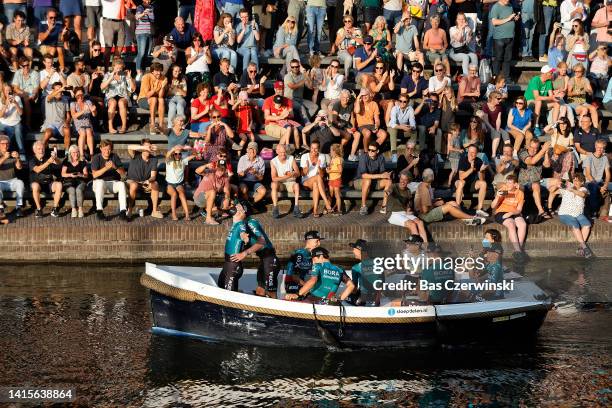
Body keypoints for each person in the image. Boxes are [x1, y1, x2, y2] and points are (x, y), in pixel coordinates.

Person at [415, 168, 485, 225]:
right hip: (425, 216)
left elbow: (427, 202)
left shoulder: (427, 186)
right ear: (433, 177)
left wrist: (436, 201)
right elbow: (425, 210)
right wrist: (435, 204)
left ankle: (466, 220)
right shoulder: (424, 189)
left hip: (429, 210)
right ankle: (471, 218)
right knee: (449, 207)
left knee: (453, 203)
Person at [285, 246, 355, 304]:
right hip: (328, 302)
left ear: (321, 256)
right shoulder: (340, 269)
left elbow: (313, 281)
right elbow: (351, 286)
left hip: (313, 299)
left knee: (287, 300)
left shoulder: (318, 266)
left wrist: (298, 294)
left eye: (314, 259)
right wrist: (340, 299)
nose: (313, 262)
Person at [518, 139, 559, 220]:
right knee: (536, 185)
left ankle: (550, 207)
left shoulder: (540, 154)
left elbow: (547, 165)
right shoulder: (523, 153)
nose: (533, 150)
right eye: (532, 147)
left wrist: (546, 152)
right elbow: (531, 161)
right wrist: (543, 150)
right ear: (528, 146)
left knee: (558, 182)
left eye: (536, 148)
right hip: (525, 183)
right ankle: (541, 210)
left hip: (539, 181)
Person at [556, 173, 593, 257]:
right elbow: (553, 191)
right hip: (565, 213)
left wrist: (571, 190)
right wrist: (557, 185)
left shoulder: (584, 189)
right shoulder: (567, 187)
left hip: (578, 213)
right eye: (574, 180)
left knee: (587, 225)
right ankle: (584, 247)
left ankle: (580, 248)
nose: (575, 182)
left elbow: (583, 195)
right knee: (575, 224)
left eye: (577, 180)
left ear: (582, 182)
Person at [491, 174, 527, 259]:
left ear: (515, 184)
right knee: (511, 224)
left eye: (510, 183)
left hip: (514, 212)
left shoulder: (520, 193)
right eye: (507, 183)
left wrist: (511, 213)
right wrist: (497, 197)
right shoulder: (503, 191)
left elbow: (519, 209)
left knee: (523, 224)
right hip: (501, 212)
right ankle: (518, 252)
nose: (508, 185)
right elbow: (492, 206)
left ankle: (518, 250)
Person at [91, 139, 128, 221]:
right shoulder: (96, 158)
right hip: (99, 184)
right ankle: (99, 211)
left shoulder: (114, 156)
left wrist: (115, 167)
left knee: (122, 184)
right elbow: (94, 175)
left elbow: (123, 174)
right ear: (100, 148)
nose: (107, 151)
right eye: (105, 149)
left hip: (112, 183)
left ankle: (123, 212)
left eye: (109, 149)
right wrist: (106, 168)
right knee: (100, 182)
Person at [219, 201, 251, 291]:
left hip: (233, 266)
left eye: (239, 207)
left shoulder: (241, 224)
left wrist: (244, 237)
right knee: (220, 287)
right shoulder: (236, 224)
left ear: (242, 212)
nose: (236, 206)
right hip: (228, 264)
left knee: (229, 295)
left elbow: (243, 232)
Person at [387, 171, 428, 242]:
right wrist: (388, 192)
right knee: (412, 224)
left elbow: (408, 205)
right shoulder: (394, 186)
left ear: (408, 181)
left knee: (420, 222)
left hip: (404, 213)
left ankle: (426, 247)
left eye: (405, 180)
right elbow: (389, 190)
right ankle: (417, 249)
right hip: (394, 213)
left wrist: (409, 210)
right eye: (401, 179)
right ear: (399, 179)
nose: (403, 181)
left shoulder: (408, 191)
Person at [354, 141, 392, 215]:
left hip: (374, 182)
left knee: (388, 181)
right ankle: (363, 206)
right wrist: (381, 176)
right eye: (369, 150)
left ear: (377, 151)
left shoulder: (381, 157)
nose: (370, 152)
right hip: (360, 182)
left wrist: (387, 175)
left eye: (373, 150)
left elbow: (382, 172)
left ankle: (383, 206)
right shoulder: (363, 157)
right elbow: (364, 175)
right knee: (367, 180)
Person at [126, 140, 162, 219]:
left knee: (155, 184)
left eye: (149, 147)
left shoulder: (154, 159)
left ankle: (154, 211)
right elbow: (129, 147)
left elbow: (153, 176)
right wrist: (144, 147)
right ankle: (130, 210)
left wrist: (148, 181)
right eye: (146, 147)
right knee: (134, 185)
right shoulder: (135, 155)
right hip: (132, 181)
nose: (148, 149)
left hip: (144, 183)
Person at [101, 58, 136, 134]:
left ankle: (124, 126)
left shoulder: (125, 75)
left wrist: (129, 78)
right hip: (111, 96)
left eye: (120, 68)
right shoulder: (108, 74)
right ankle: (110, 126)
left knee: (121, 102)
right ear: (113, 67)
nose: (119, 69)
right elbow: (102, 87)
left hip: (123, 96)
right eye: (117, 68)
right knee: (113, 102)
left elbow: (133, 89)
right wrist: (111, 77)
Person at [194, 155, 232, 225]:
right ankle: (208, 218)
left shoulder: (225, 178)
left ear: (225, 169)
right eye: (219, 168)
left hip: (211, 199)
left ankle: (211, 210)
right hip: (199, 197)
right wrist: (206, 165)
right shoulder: (210, 172)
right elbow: (197, 171)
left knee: (225, 202)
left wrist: (227, 199)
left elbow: (226, 191)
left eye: (223, 169)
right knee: (212, 191)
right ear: (216, 167)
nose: (221, 171)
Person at [300, 139, 333, 217]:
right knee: (317, 179)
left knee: (316, 184)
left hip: (318, 182)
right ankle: (327, 203)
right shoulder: (304, 156)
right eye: (312, 148)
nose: (314, 150)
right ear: (310, 148)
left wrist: (318, 167)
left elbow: (322, 175)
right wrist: (307, 168)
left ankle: (315, 210)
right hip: (306, 181)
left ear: (319, 149)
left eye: (316, 148)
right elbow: (302, 174)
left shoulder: (322, 156)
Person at [29, 141, 62, 218]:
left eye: (43, 149)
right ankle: (39, 209)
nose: (41, 150)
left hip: (49, 183)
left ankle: (55, 209)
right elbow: (37, 170)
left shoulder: (47, 157)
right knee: (35, 186)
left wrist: (55, 158)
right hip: (37, 183)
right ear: (34, 151)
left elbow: (59, 164)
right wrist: (48, 162)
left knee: (59, 185)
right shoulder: (32, 160)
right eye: (39, 149)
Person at [455, 144, 489, 217]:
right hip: (460, 184)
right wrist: (471, 169)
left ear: (476, 154)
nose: (470, 154)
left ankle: (480, 209)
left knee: (484, 184)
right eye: (469, 152)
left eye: (473, 152)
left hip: (471, 184)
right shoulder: (463, 159)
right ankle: (458, 207)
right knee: (462, 182)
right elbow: (461, 177)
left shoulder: (479, 161)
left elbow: (481, 179)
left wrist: (481, 171)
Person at [270, 143, 303, 219]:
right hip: (281, 184)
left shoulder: (291, 158)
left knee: (297, 185)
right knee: (273, 184)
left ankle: (296, 208)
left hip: (291, 183)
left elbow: (298, 173)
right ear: (277, 152)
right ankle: (275, 208)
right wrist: (286, 176)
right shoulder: (273, 161)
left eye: (284, 152)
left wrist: (293, 174)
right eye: (281, 152)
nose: (283, 154)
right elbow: (274, 178)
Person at [524, 65, 561, 131]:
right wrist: (551, 97)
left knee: (557, 104)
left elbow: (551, 95)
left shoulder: (548, 81)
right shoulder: (535, 80)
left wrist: (556, 95)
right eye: (550, 72)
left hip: (541, 101)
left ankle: (553, 126)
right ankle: (536, 126)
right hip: (529, 101)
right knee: (539, 101)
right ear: (545, 74)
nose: (552, 74)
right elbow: (537, 97)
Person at [490, 0, 519, 80]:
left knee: (507, 59)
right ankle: (495, 77)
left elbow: (510, 19)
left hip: (510, 36)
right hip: (500, 37)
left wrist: (514, 18)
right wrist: (508, 18)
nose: (507, 0)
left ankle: (506, 77)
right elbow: (494, 22)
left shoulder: (510, 5)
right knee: (498, 58)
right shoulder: (496, 7)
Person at [165, 145, 195, 221]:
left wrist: (191, 148)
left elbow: (194, 155)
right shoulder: (169, 161)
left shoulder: (183, 161)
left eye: (179, 154)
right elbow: (167, 154)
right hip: (169, 184)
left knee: (182, 194)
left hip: (179, 184)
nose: (178, 155)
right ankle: (173, 214)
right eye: (176, 154)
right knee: (174, 194)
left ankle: (187, 214)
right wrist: (174, 149)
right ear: (173, 155)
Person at [329, 90, 360, 162]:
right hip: (337, 126)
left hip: (347, 126)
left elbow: (352, 117)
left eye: (347, 98)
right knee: (348, 135)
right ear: (340, 97)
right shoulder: (337, 105)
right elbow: (334, 120)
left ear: (349, 98)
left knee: (358, 134)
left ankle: (352, 155)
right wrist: (346, 129)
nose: (345, 99)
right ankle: (338, 153)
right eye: (343, 97)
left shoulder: (351, 105)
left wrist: (353, 127)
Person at [583, 139, 611, 219]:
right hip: (589, 182)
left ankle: (605, 212)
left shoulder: (605, 158)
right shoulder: (589, 157)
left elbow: (608, 174)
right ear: (595, 147)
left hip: (600, 182)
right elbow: (588, 174)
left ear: (604, 148)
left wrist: (605, 185)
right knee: (594, 188)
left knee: (608, 187)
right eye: (598, 147)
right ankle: (594, 211)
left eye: (602, 148)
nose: (600, 149)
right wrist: (600, 188)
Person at [41, 82, 71, 152]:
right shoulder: (48, 98)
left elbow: (68, 116)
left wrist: (67, 122)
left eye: (61, 89)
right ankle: (41, 151)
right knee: (47, 133)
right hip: (51, 125)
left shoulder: (65, 99)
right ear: (53, 91)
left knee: (67, 130)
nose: (60, 92)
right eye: (57, 90)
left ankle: (67, 153)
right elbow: (50, 97)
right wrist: (60, 90)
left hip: (61, 124)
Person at [567, 63, 599, 129]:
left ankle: (596, 129)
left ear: (583, 72)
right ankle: (580, 126)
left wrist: (589, 91)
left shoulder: (585, 80)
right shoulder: (572, 80)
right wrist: (576, 93)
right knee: (584, 109)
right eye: (575, 71)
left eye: (579, 71)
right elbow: (568, 94)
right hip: (573, 102)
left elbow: (591, 92)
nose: (577, 73)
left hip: (583, 102)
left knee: (593, 109)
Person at [11, 56, 39, 129]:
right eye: (24, 66)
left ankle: (27, 123)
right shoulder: (18, 73)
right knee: (15, 98)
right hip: (22, 94)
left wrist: (32, 95)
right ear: (20, 66)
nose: (26, 67)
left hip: (32, 95)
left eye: (27, 65)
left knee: (26, 99)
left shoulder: (34, 73)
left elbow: (36, 88)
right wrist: (24, 93)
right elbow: (15, 88)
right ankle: (16, 122)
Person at [0, 135, 24, 217]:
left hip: (12, 180)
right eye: (2, 144)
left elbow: (19, 167)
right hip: (1, 182)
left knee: (20, 183)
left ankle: (18, 207)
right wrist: (4, 158)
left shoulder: (12, 154)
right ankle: (1, 208)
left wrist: (17, 158)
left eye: (7, 144)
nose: (5, 145)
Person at [61, 144, 88, 218]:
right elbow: (63, 174)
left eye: (77, 152)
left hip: (80, 181)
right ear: (70, 153)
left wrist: (80, 175)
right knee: (72, 190)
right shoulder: (66, 161)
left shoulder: (82, 161)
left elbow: (86, 175)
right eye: (73, 152)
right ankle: (73, 209)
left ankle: (80, 209)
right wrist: (70, 175)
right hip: (69, 181)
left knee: (79, 190)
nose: (76, 154)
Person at [387, 94, 416, 163]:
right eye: (400, 101)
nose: (402, 103)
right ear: (398, 101)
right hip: (393, 128)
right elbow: (393, 124)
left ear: (408, 102)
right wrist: (402, 126)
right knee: (393, 130)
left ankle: (411, 152)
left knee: (414, 131)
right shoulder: (395, 109)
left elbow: (413, 123)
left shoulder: (410, 109)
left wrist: (411, 127)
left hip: (404, 129)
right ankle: (394, 153)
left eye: (404, 101)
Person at [70, 86, 96, 160]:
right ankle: (81, 155)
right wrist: (83, 111)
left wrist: (93, 110)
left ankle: (91, 154)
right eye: (78, 95)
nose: (80, 96)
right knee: (82, 132)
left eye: (81, 94)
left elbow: (94, 115)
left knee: (88, 130)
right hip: (78, 124)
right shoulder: (73, 104)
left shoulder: (88, 102)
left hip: (87, 123)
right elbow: (74, 116)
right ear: (75, 96)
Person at [0, 83, 25, 160]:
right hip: (3, 123)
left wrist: (15, 103)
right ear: (3, 91)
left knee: (18, 131)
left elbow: (21, 113)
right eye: (6, 90)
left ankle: (22, 153)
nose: (8, 92)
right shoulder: (0, 100)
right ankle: (3, 154)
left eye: (10, 90)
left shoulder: (17, 98)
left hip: (16, 122)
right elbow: (0, 115)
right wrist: (6, 105)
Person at [38, 8, 65, 73]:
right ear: (47, 17)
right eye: (51, 17)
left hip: (55, 46)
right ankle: (49, 70)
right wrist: (49, 30)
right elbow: (41, 39)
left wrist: (63, 35)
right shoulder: (42, 24)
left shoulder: (59, 24)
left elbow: (61, 40)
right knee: (53, 49)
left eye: (55, 17)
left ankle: (62, 69)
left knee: (59, 48)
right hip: (44, 45)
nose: (53, 19)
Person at [134, 0, 155, 82]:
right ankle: (138, 72)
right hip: (141, 33)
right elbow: (137, 17)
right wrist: (144, 13)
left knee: (147, 53)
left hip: (149, 32)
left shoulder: (151, 7)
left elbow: (152, 19)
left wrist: (148, 14)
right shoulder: (140, 7)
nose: (149, 1)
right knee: (141, 53)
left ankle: (143, 71)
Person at [165, 64, 188, 130]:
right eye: (175, 71)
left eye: (179, 71)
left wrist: (178, 88)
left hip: (180, 98)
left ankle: (181, 125)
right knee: (172, 107)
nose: (177, 73)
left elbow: (185, 94)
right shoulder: (167, 79)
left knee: (180, 106)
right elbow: (166, 94)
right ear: (171, 71)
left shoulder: (182, 80)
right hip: (170, 98)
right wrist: (172, 86)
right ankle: (170, 126)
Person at [326, 143, 343, 214]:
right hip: (331, 179)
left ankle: (339, 210)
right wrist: (328, 168)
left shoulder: (338, 159)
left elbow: (340, 170)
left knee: (337, 195)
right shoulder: (332, 158)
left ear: (334, 151)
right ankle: (331, 207)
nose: (330, 151)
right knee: (330, 194)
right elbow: (332, 167)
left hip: (336, 179)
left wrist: (331, 170)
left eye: (331, 150)